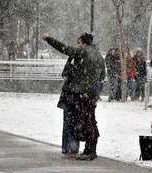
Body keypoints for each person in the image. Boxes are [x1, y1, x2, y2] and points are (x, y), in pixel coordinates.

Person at [42, 32, 105, 160]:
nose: (78, 45)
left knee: (85, 122)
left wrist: (48, 38)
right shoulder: (98, 55)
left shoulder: (83, 52)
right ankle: (92, 149)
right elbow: (102, 76)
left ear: (83, 42)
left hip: (82, 93)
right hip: (92, 93)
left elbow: (64, 48)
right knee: (91, 120)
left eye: (79, 43)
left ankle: (88, 151)